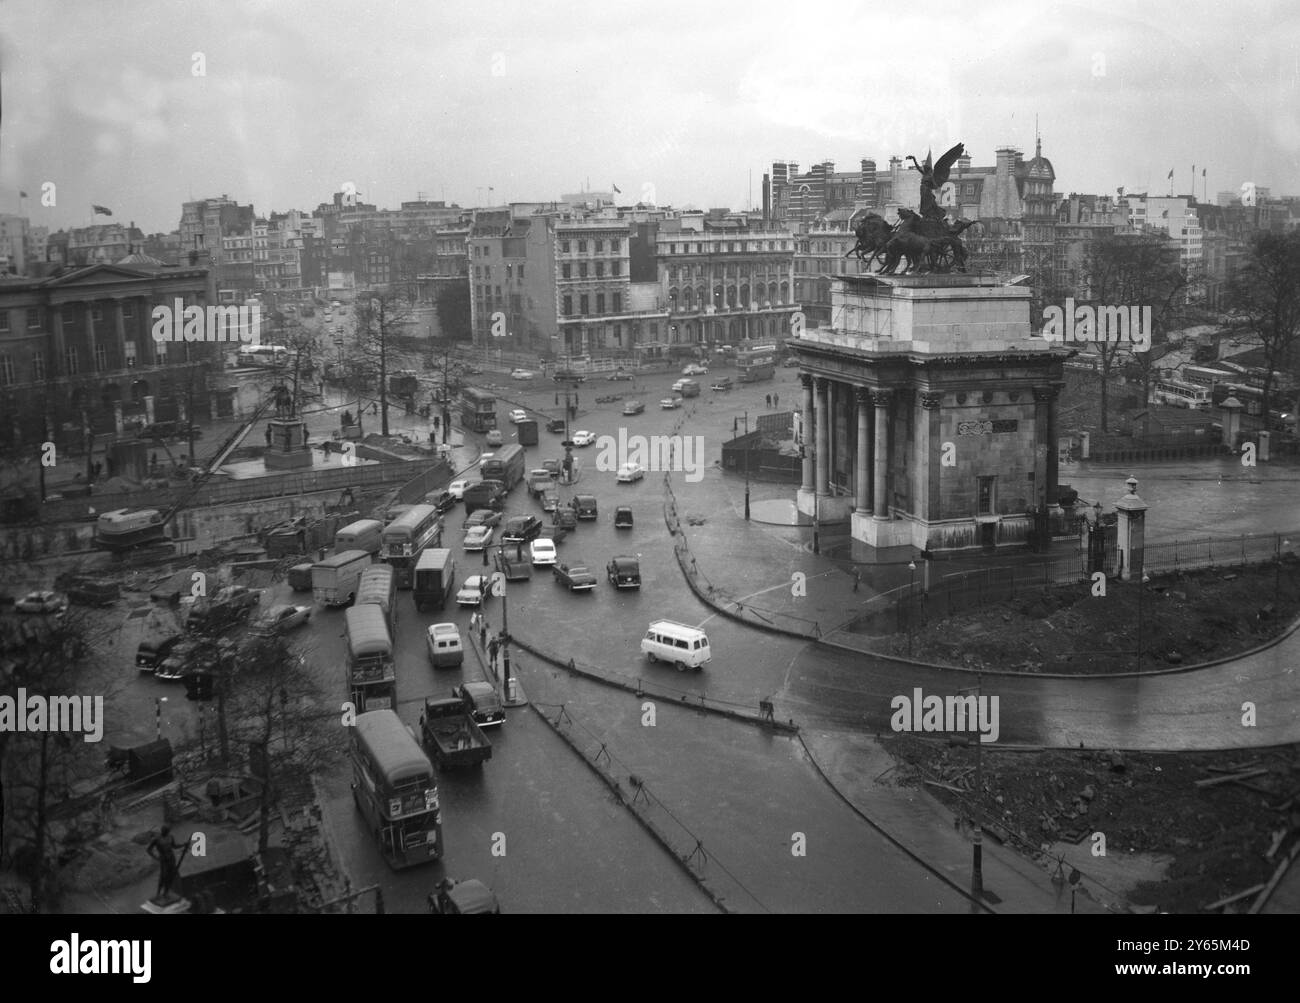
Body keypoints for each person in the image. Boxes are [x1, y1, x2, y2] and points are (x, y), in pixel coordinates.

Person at [146, 826, 185, 900]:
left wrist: (183, 845)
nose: (167, 832)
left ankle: (165, 893)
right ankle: (158, 893)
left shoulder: (170, 837)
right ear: (162, 831)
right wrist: (156, 858)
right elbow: (148, 850)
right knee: (163, 876)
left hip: (171, 859)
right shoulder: (157, 839)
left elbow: (174, 846)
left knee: (171, 876)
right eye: (165, 831)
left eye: (167, 831)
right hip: (163, 860)